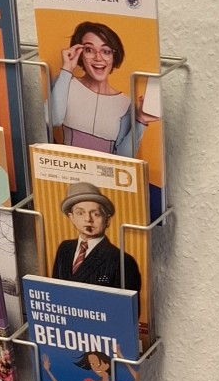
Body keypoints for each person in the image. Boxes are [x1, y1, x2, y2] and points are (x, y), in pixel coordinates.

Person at [48, 20, 154, 153]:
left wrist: (141, 121)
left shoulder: (126, 104)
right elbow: (54, 119)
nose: (98, 58)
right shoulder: (64, 82)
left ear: (114, 56)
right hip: (68, 165)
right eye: (89, 50)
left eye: (106, 51)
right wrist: (67, 68)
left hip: (106, 167)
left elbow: (123, 156)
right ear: (80, 54)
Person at [51, 185, 142, 293]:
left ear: (107, 220)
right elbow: (54, 289)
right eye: (80, 213)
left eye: (96, 214)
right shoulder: (64, 248)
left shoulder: (122, 260)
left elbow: (126, 302)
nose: (88, 219)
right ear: (72, 218)